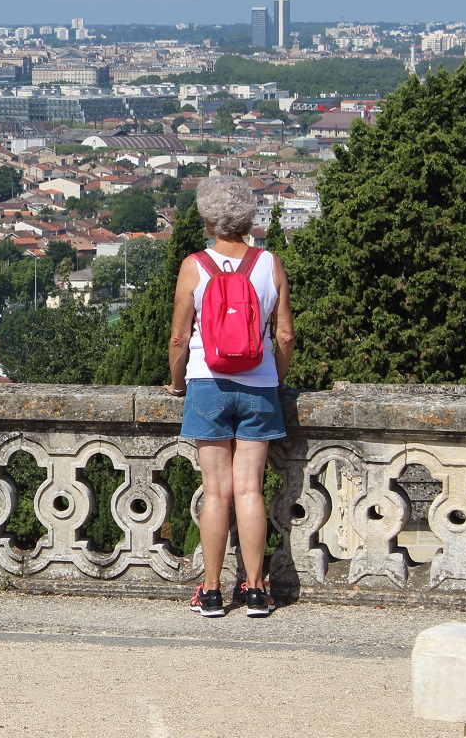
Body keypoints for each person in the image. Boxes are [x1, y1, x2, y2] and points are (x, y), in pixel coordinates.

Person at [166, 174, 294, 618]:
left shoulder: (194, 265)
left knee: (216, 493)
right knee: (249, 491)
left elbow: (180, 338)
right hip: (258, 387)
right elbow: (285, 334)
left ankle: (213, 590)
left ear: (207, 220)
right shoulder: (268, 263)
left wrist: (178, 382)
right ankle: (257, 591)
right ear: (248, 218)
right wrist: (274, 379)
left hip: (208, 385)